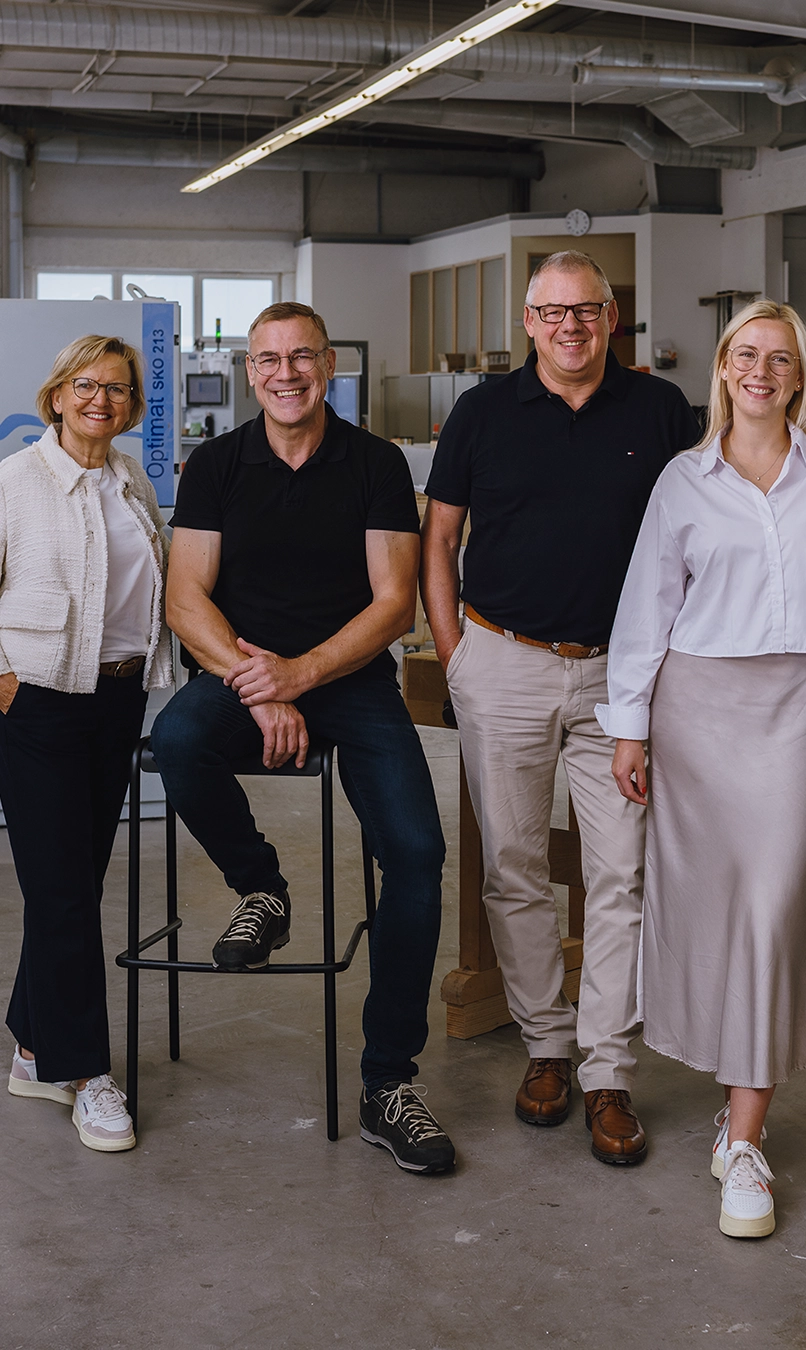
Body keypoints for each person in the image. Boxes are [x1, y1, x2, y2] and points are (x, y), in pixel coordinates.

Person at [599, 300, 806, 1235]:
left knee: (776, 909)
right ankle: (724, 1088)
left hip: (793, 713)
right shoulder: (682, 482)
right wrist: (628, 725)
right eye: (745, 355)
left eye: (780, 357)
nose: (761, 370)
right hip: (696, 711)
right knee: (706, 907)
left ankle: (744, 1140)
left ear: (801, 375)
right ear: (722, 371)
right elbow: (646, 608)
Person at [150, 302, 453, 1175]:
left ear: (328, 365)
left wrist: (302, 676)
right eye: (268, 359)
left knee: (419, 852)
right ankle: (262, 887)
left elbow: (393, 602)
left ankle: (387, 1082)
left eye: (302, 357)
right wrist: (259, 682)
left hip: (350, 680)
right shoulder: (215, 464)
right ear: (250, 372)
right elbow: (185, 599)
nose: (286, 373)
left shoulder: (375, 462)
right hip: (241, 674)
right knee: (179, 741)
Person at [421, 251, 700, 1165]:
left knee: (621, 875)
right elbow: (441, 535)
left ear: (612, 317)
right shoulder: (482, 411)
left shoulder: (659, 410)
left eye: (587, 310)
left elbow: (697, 536)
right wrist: (456, 653)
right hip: (502, 662)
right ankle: (546, 1042)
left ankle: (606, 1070)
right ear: (529, 322)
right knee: (513, 865)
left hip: (621, 680)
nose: (570, 326)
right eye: (552, 311)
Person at [2, 335, 172, 1152]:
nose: (102, 399)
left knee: (70, 884)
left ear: (134, 405)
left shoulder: (130, 479)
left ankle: (33, 1044)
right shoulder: (15, 482)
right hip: (36, 706)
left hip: (114, 700)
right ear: (58, 394)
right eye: (86, 384)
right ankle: (83, 1072)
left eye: (118, 388)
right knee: (63, 892)